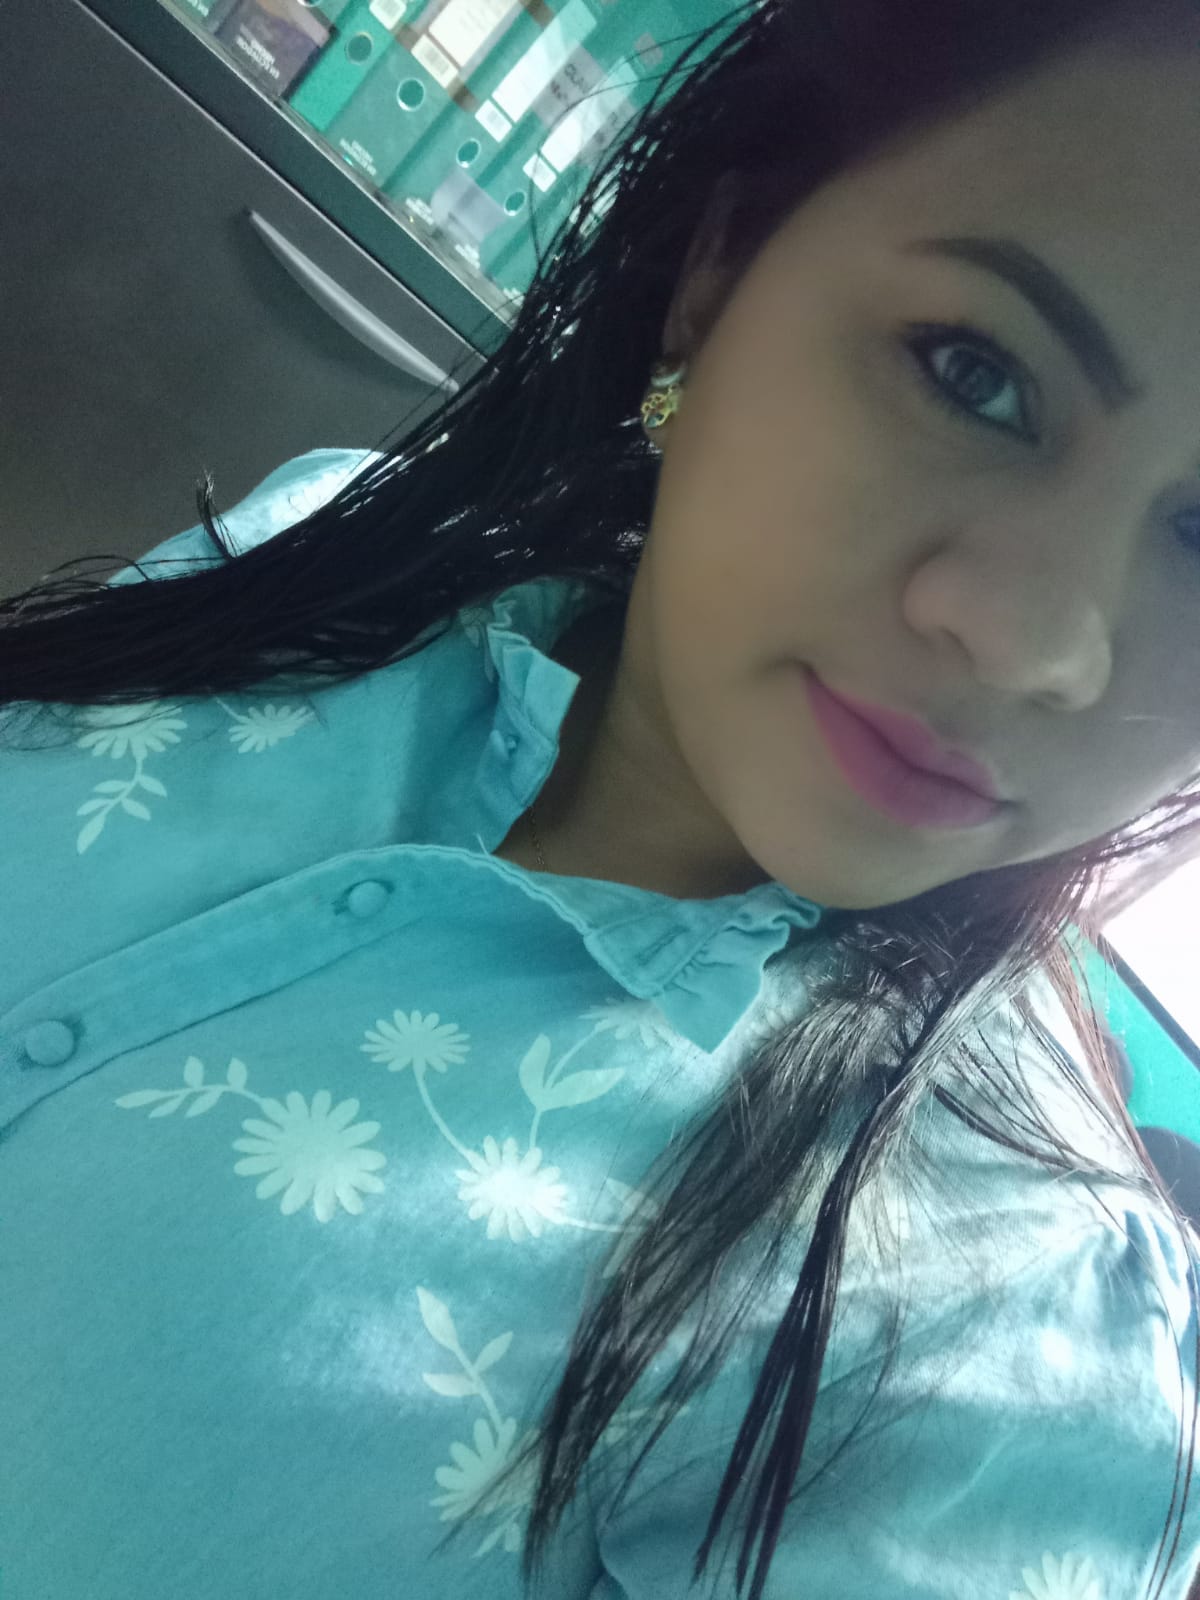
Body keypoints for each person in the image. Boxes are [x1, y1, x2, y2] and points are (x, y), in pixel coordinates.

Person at [2, 1, 1199, 1595]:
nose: (1039, 641)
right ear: (719, 271)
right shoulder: (333, 552)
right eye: (975, 375)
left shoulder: (997, 1342)